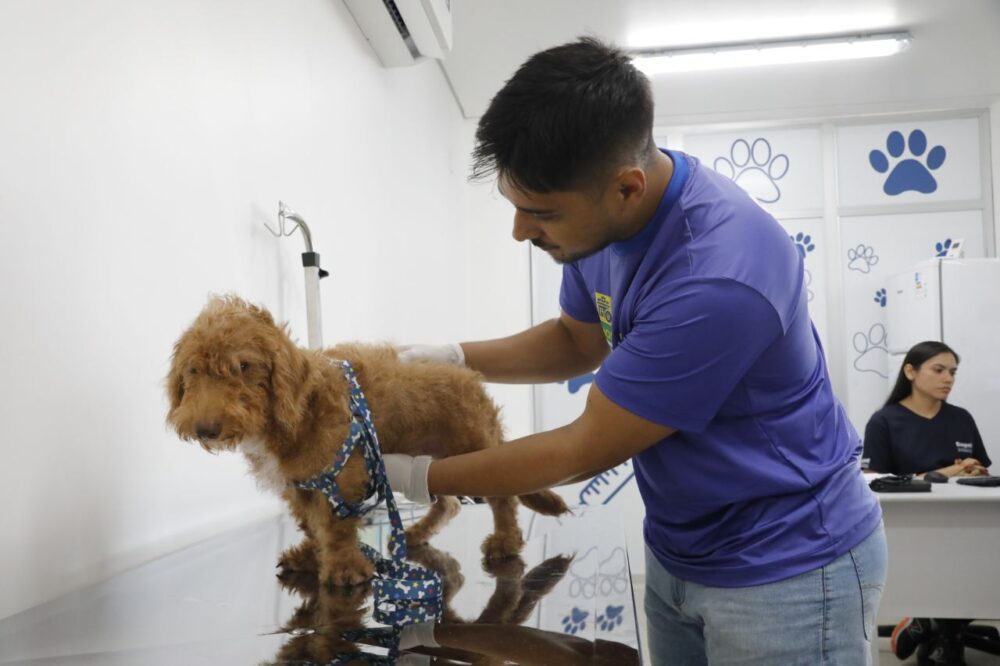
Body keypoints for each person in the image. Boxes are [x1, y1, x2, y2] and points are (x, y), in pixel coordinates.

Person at [386, 37, 887, 665]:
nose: (520, 231)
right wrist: (451, 360)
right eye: (514, 206)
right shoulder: (600, 226)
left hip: (788, 567)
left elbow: (582, 449)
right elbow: (577, 340)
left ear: (626, 187)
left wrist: (414, 476)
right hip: (680, 550)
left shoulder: (717, 277)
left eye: (540, 213)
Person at [863, 340, 991, 665]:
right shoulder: (884, 421)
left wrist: (973, 470)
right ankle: (937, 622)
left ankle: (932, 621)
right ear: (910, 371)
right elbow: (874, 483)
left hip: (965, 521)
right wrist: (946, 472)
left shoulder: (961, 418)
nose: (948, 378)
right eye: (939, 370)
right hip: (912, 527)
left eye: (953, 372)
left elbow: (981, 469)